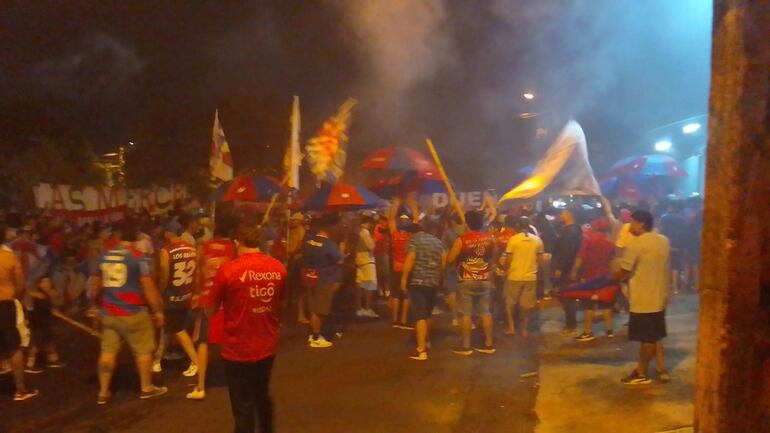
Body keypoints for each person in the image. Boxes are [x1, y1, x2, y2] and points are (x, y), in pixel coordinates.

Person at [203, 219, 286, 433]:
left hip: (237, 347)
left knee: (242, 405)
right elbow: (281, 303)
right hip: (267, 344)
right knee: (261, 394)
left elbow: (209, 309)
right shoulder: (278, 267)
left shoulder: (228, 271)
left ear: (237, 242)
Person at [91, 221, 167, 404]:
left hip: (109, 312)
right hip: (133, 312)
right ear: (136, 237)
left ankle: (103, 391)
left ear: (117, 236)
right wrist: (158, 311)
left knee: (107, 352)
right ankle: (146, 387)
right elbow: (148, 288)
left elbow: (93, 286)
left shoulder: (103, 256)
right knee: (143, 350)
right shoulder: (139, 258)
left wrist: (94, 305)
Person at [615, 210, 671, 385]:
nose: (630, 226)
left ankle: (641, 372)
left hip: (642, 298)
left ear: (640, 224)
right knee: (654, 336)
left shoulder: (636, 244)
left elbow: (624, 272)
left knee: (647, 339)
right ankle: (661, 369)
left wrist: (613, 276)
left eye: (632, 222)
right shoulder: (664, 241)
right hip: (659, 296)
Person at [187, 217, 237, 400]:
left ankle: (200, 386)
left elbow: (197, 273)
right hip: (227, 300)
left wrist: (197, 293)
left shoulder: (203, 246)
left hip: (207, 299)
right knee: (231, 340)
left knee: (203, 342)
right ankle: (235, 381)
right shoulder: (233, 248)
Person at [447, 211, 497, 355]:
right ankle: (489, 344)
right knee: (485, 312)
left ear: (467, 224)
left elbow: (450, 259)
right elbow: (494, 255)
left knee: (466, 314)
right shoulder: (490, 239)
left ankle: (466, 345)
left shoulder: (461, 240)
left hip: (467, 279)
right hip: (484, 278)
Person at [153, 223, 199, 376]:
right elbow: (197, 273)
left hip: (172, 296)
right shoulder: (192, 248)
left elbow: (165, 275)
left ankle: (196, 361)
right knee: (169, 328)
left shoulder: (166, 251)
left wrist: (160, 292)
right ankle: (157, 360)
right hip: (186, 293)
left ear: (168, 234)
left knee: (178, 329)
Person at [400, 217, 446, 361]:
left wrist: (403, 278)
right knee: (428, 314)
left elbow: (411, 258)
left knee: (419, 315)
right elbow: (443, 262)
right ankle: (426, 341)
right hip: (433, 282)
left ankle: (421, 350)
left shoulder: (415, 241)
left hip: (417, 281)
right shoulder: (439, 243)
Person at [0, 229, 38, 401]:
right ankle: (21, 389)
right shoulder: (7, 257)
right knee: (14, 346)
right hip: (5, 303)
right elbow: (20, 284)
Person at [570, 217, 617, 341]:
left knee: (588, 305)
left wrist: (574, 271)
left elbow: (580, 258)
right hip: (605, 277)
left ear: (595, 228)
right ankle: (609, 330)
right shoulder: (610, 243)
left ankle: (588, 332)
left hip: (590, 277)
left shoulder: (588, 241)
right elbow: (613, 261)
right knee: (605, 304)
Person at [301, 214, 343, 348]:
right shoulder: (329, 244)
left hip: (309, 276)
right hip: (324, 278)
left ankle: (313, 333)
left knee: (313, 306)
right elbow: (339, 260)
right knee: (320, 309)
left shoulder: (308, 240)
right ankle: (316, 337)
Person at [502, 217, 543, 337]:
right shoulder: (537, 240)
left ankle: (511, 327)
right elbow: (540, 261)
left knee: (510, 303)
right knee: (526, 305)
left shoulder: (513, 239)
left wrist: (505, 269)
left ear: (518, 226)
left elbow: (508, 259)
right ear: (529, 225)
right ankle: (524, 329)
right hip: (530, 277)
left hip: (514, 276)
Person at [552, 208, 584, 335]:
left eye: (563, 213)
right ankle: (571, 321)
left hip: (567, 269)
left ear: (570, 215)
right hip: (570, 268)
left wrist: (560, 268)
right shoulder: (573, 229)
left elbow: (568, 252)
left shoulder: (570, 231)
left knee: (566, 296)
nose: (560, 215)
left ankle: (570, 324)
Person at [26, 276, 65, 373]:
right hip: (38, 323)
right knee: (36, 343)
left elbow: (58, 304)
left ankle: (53, 360)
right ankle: (29, 365)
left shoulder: (50, 295)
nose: (46, 284)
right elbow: (29, 306)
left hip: (46, 323)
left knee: (50, 341)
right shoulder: (36, 296)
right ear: (39, 284)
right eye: (43, 282)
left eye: (48, 282)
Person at [388, 213, 413, 330]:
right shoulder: (410, 237)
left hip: (396, 268)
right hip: (407, 269)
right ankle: (403, 321)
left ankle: (394, 320)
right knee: (406, 296)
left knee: (396, 295)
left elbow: (391, 219)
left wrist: (395, 205)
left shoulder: (394, 235)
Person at [660, 201, 688, 294]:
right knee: (675, 266)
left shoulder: (664, 218)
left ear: (671, 207)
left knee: (666, 265)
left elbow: (661, 230)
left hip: (666, 243)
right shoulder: (682, 219)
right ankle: (675, 288)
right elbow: (685, 233)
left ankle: (667, 286)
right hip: (679, 245)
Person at [354, 214, 379, 318]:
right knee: (369, 286)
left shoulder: (356, 232)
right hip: (367, 261)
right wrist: (374, 241)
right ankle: (367, 309)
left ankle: (359, 308)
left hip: (359, 261)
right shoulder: (365, 232)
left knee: (360, 285)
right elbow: (371, 246)